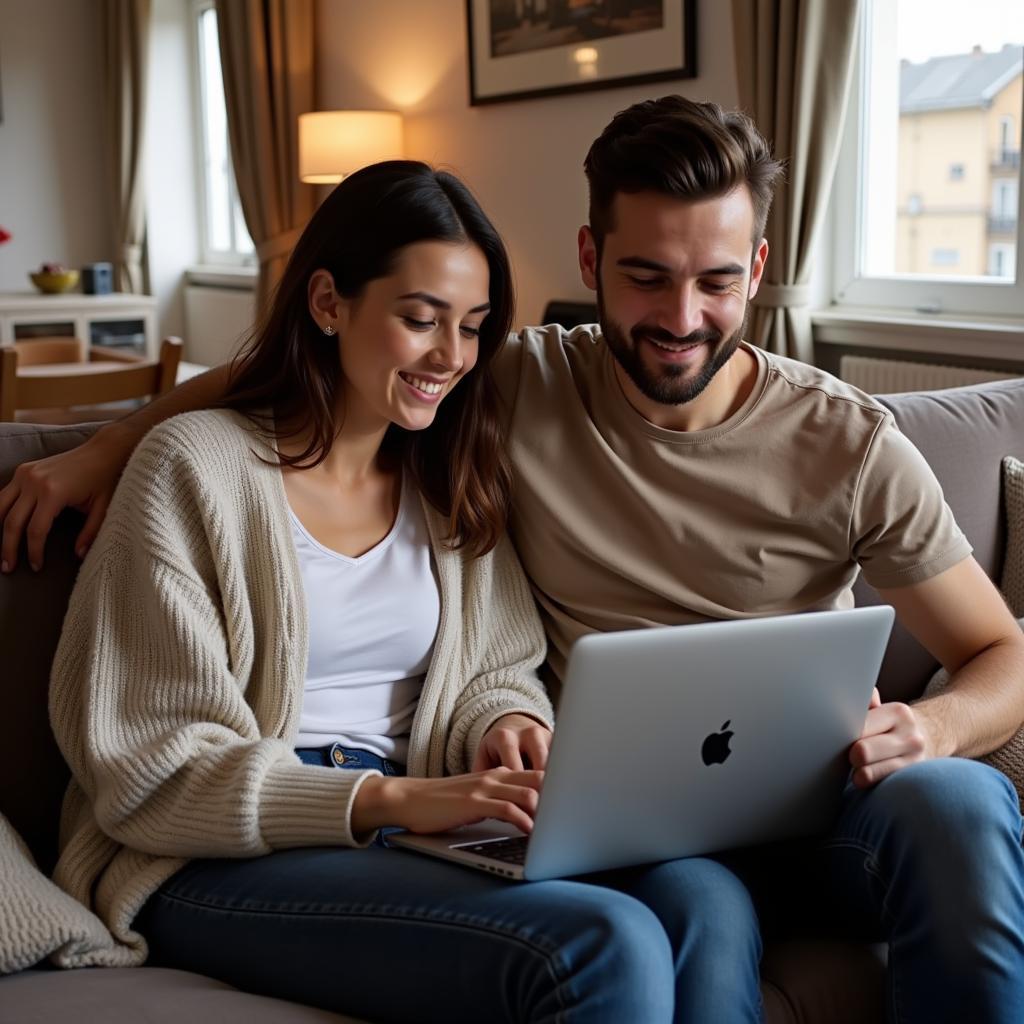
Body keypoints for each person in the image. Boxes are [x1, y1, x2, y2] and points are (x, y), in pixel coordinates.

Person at [5, 100, 1024, 1021]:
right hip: (431, 828)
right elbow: (306, 361)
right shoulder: (507, 390)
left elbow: (999, 653)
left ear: (757, 269)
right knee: (656, 918)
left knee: (940, 808)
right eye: (645, 277)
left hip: (765, 806)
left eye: (716, 280)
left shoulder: (831, 441)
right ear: (588, 259)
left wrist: (926, 724)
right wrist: (99, 448)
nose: (679, 318)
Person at [34, 160, 737, 1023]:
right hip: (216, 857)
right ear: (328, 303)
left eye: (474, 327)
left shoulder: (449, 477)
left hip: (425, 822)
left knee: (705, 896)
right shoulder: (194, 471)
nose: (453, 356)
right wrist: (396, 800)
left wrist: (507, 728)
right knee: (603, 942)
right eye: (420, 319)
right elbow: (152, 765)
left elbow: (497, 670)